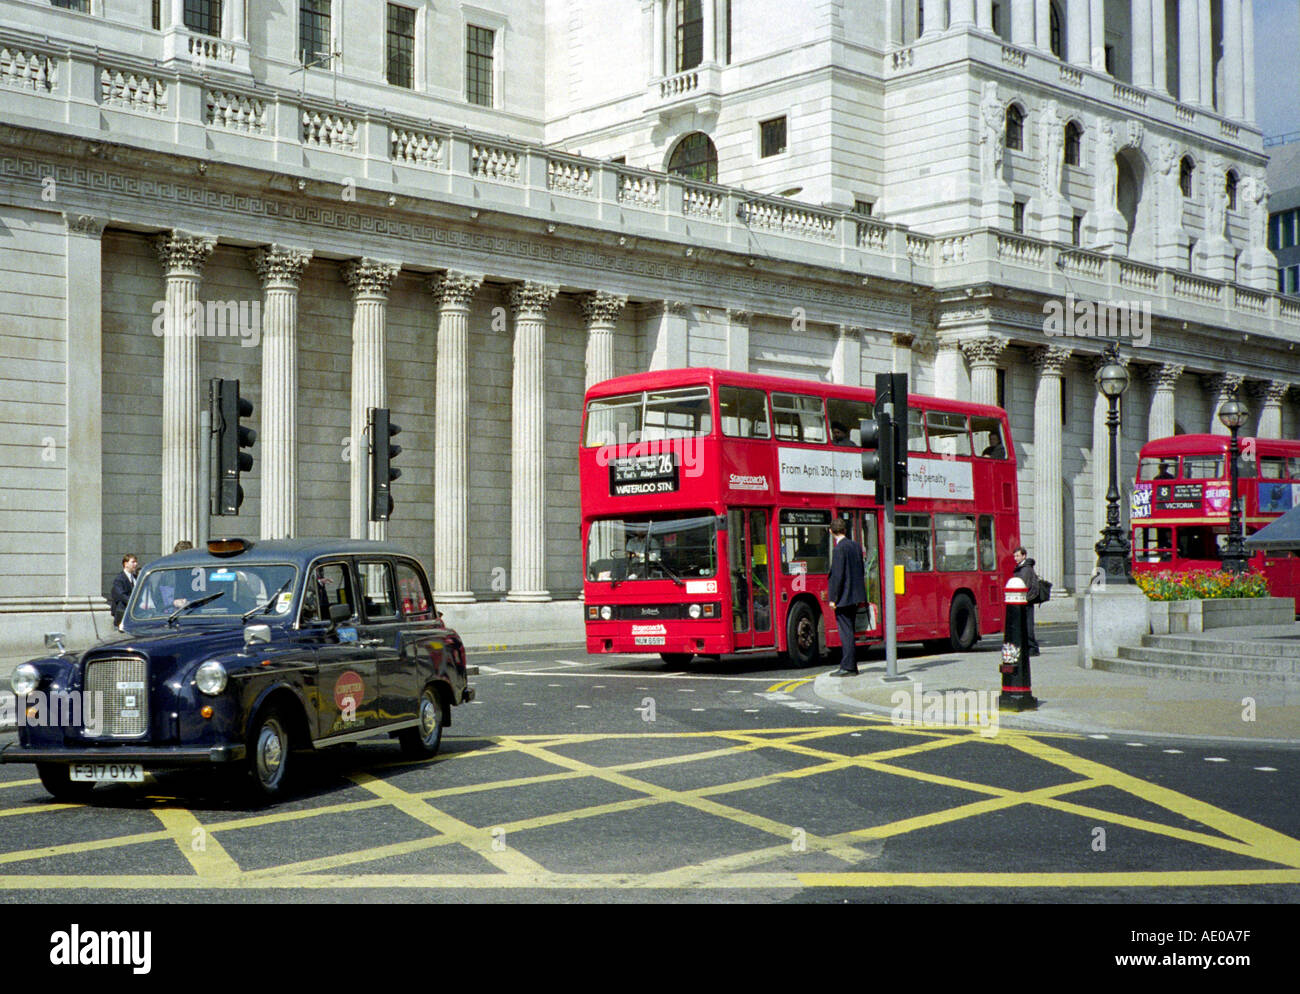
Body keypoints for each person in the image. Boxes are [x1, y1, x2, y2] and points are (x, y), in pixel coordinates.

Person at [827, 517, 867, 676]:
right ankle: (852, 665)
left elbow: (838, 576)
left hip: (843, 598)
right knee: (850, 630)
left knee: (846, 632)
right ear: (844, 530)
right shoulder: (856, 546)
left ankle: (848, 667)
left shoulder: (838, 549)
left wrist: (833, 599)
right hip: (855, 596)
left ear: (831, 532)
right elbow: (861, 569)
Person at [1012, 546, 1040, 656]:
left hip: (1026, 600)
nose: (1015, 558)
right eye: (1014, 556)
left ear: (1024, 556)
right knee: (1025, 624)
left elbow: (1024, 585)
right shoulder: (1022, 567)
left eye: (1018, 556)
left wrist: (1022, 597)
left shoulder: (1025, 569)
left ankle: (1032, 647)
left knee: (1028, 625)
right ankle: (1030, 646)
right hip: (1024, 599)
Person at [110, 553, 139, 630]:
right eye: (133, 562)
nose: (136, 564)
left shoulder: (136, 578)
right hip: (122, 615)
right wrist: (134, 602)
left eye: (136, 562)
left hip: (134, 616)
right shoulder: (119, 579)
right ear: (126, 564)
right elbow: (121, 595)